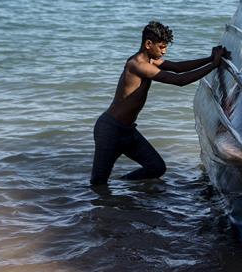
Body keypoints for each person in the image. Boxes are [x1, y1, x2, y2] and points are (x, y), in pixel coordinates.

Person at [90, 21, 229, 187]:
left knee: (156, 167)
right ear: (148, 44)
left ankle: (121, 187)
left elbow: (178, 68)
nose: (164, 51)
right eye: (161, 47)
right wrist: (214, 65)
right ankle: (99, 204)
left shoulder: (150, 61)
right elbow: (180, 80)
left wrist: (209, 59)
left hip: (127, 131)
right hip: (110, 130)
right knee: (98, 183)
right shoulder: (137, 65)